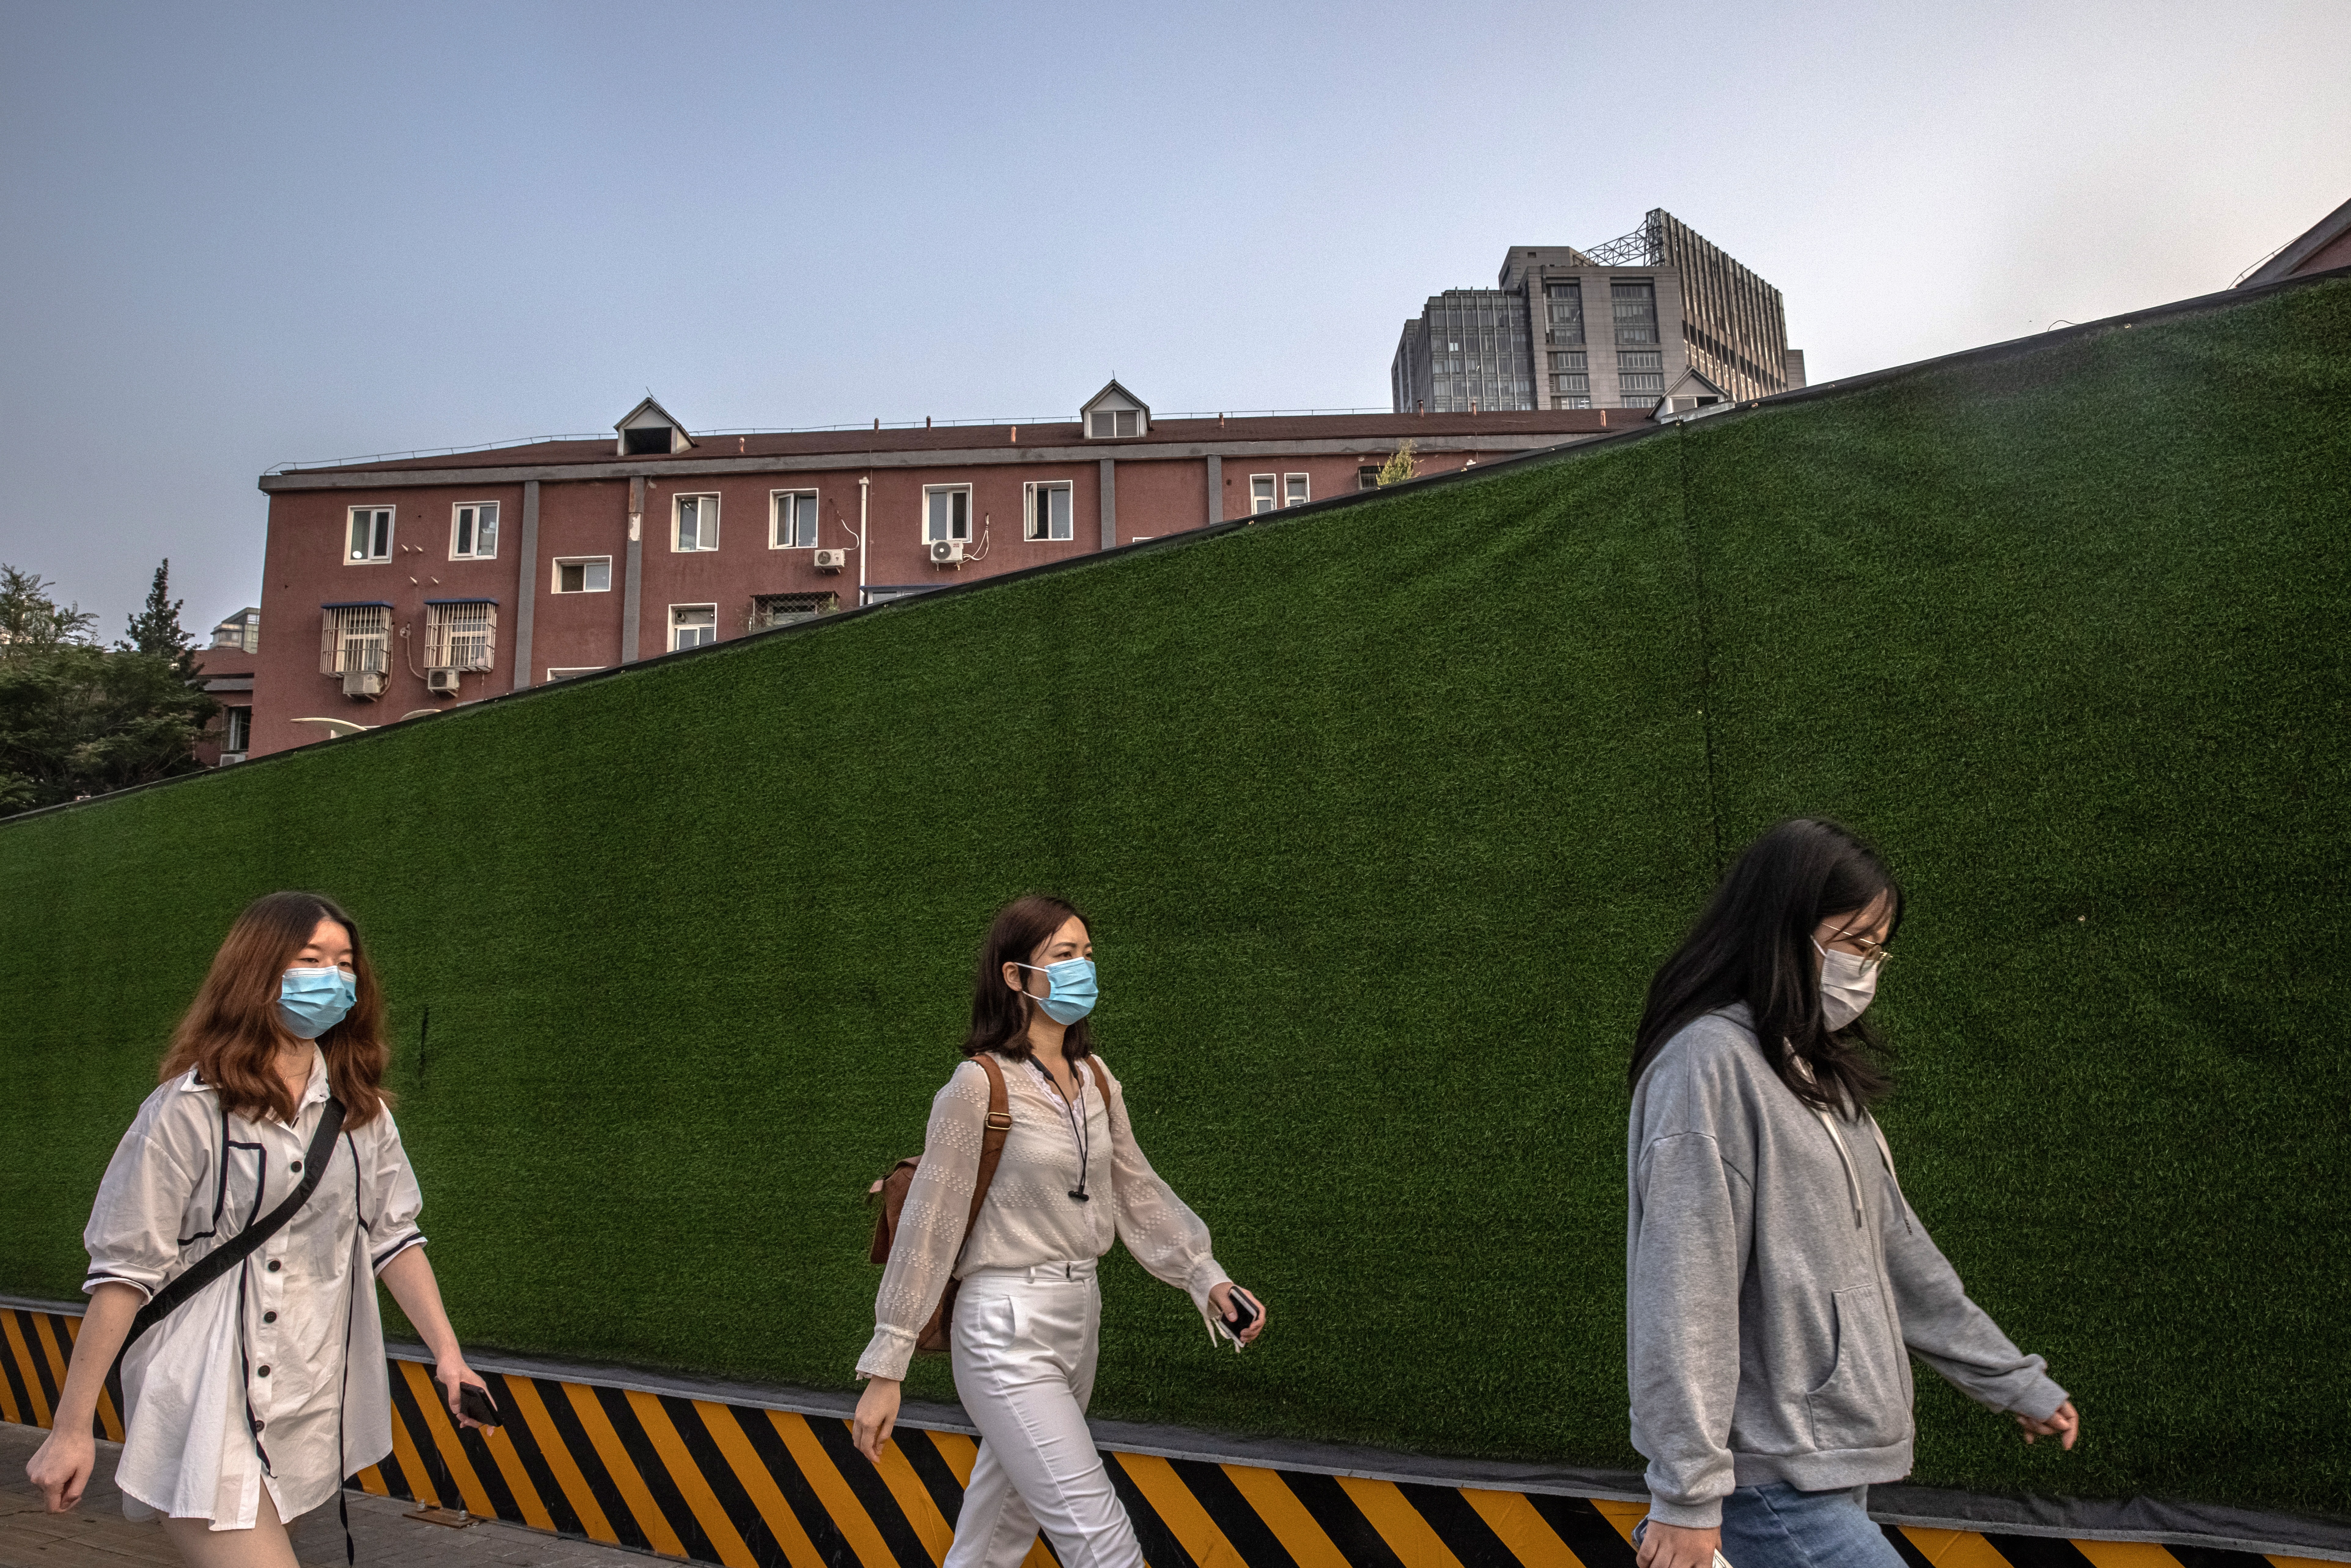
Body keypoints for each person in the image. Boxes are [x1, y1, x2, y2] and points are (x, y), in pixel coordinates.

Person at [1626, 821, 2080, 1568]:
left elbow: (1898, 1256)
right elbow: (1683, 1295)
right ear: (1783, 928)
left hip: (1827, 1462)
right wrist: (1685, 1495)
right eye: (1853, 942)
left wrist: (2009, 1378)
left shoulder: (1814, 1077)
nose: (1865, 968)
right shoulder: (1706, 1069)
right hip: (1760, 1474)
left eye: (1877, 950)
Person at [24, 891, 493, 1568]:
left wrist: (449, 1356)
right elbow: (123, 1273)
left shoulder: (362, 1113)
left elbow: (395, 1236)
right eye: (311, 959)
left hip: (308, 1396)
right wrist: (71, 1429)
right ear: (259, 971)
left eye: (345, 963)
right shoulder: (186, 1111)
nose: (332, 977)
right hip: (202, 1395)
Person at [851, 894, 1267, 1568]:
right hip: (1003, 1328)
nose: (1083, 970)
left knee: (997, 1532)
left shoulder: (1096, 1079)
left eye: (1087, 953)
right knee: (1102, 1543)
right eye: (1063, 956)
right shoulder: (977, 1085)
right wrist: (887, 1364)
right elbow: (929, 1225)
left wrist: (1205, 1274)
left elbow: (1136, 1188)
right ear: (1015, 977)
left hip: (1078, 1317)